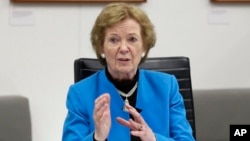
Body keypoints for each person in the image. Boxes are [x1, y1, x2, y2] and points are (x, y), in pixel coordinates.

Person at [62, 2, 195, 141]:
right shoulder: (80, 94)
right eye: (114, 40)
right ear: (101, 46)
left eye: (132, 39)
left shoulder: (167, 87)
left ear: (144, 46)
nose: (124, 48)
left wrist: (154, 139)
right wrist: (97, 138)